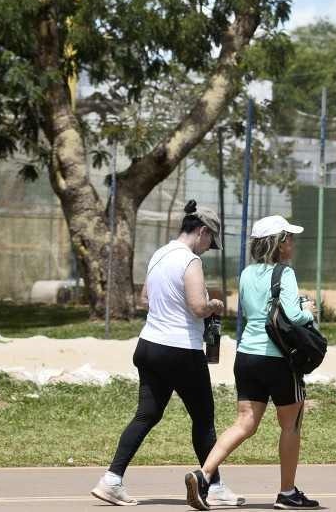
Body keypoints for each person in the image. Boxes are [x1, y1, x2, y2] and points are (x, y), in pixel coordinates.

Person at [90, 200, 245, 508]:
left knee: (146, 414)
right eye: (209, 242)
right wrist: (214, 305)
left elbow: (145, 297)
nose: (207, 249)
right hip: (180, 351)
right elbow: (198, 307)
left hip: (148, 346)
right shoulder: (190, 261)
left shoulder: (159, 254)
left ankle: (111, 480)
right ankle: (213, 486)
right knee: (203, 420)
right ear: (201, 231)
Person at [184, 214, 320, 510]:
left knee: (245, 422)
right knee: (291, 426)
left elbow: (257, 312)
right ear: (280, 243)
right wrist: (307, 310)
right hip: (278, 360)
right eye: (290, 237)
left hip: (247, 356)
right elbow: (294, 317)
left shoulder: (246, 274)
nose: (293, 242)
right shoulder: (285, 273)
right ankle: (287, 492)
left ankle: (204, 474)